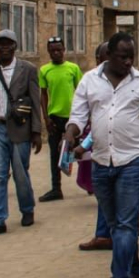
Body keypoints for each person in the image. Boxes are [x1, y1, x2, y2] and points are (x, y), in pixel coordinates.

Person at [66, 32, 139, 278]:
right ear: (108, 55)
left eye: (132, 56)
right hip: (100, 162)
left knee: (125, 223)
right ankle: (135, 267)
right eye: (123, 57)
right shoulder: (89, 81)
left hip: (132, 161)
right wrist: (70, 134)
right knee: (113, 223)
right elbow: (78, 116)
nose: (129, 61)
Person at [0, 29, 44, 237]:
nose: (4, 48)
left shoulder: (28, 69)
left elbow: (35, 101)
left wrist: (36, 131)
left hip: (19, 129)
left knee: (20, 173)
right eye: (0, 44)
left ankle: (27, 209)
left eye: (8, 44)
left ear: (15, 47)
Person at [79, 41, 117, 252]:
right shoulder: (91, 81)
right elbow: (85, 116)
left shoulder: (129, 82)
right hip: (100, 149)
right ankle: (104, 234)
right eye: (102, 59)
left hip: (126, 153)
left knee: (124, 196)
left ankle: (122, 235)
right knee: (104, 194)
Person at [39, 36, 83, 202]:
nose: (56, 53)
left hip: (73, 119)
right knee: (54, 154)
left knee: (80, 151)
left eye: (59, 50)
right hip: (54, 118)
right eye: (53, 51)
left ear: (64, 50)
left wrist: (81, 115)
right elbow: (43, 95)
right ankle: (56, 188)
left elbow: (81, 91)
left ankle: (90, 183)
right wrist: (46, 118)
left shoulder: (73, 68)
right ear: (49, 52)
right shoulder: (44, 70)